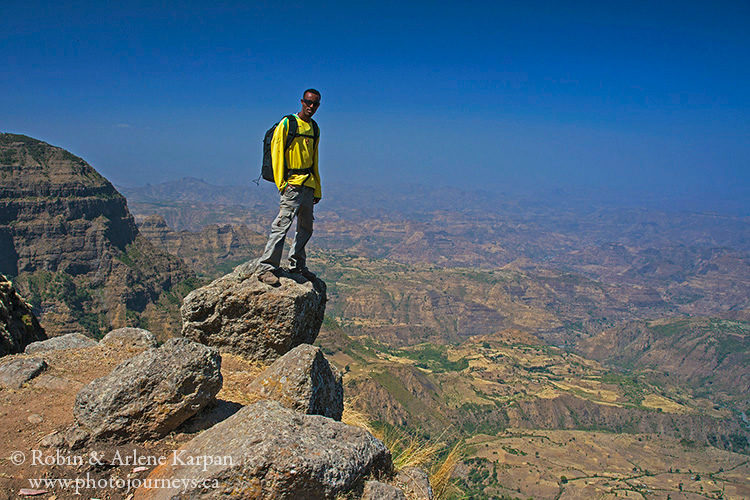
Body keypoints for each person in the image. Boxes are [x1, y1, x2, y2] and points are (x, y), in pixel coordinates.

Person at [257, 89, 322, 286]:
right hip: (292, 184)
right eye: (308, 102)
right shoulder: (288, 123)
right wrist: (282, 184)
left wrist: (317, 188)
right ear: (302, 102)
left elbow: (314, 159)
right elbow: (276, 152)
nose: (311, 107)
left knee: (305, 227)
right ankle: (267, 267)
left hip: (308, 184)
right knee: (282, 225)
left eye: (315, 104)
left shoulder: (314, 128)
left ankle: (297, 265)